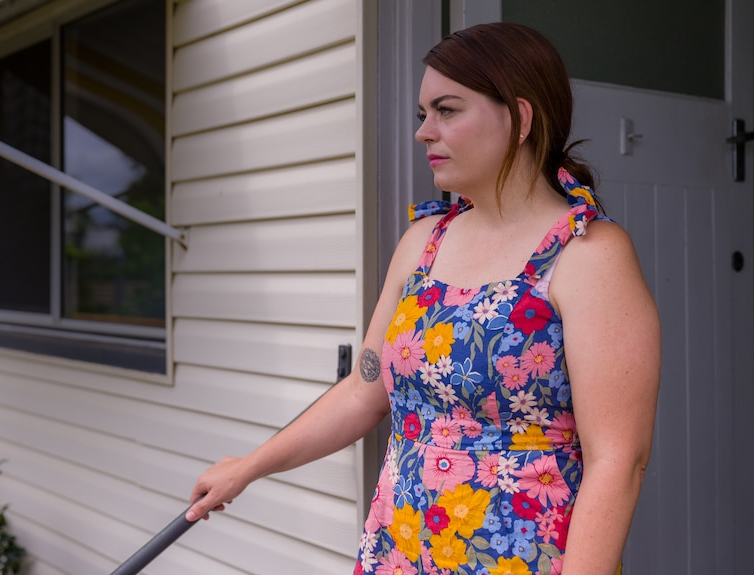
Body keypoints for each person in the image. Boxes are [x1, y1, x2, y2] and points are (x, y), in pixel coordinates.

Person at [186, 22, 660, 575]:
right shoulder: (424, 244)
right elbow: (364, 392)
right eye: (422, 114)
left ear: (522, 117)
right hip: (400, 549)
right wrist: (250, 466)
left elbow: (618, 461)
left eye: (447, 110)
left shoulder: (588, 255)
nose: (424, 132)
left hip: (522, 560)